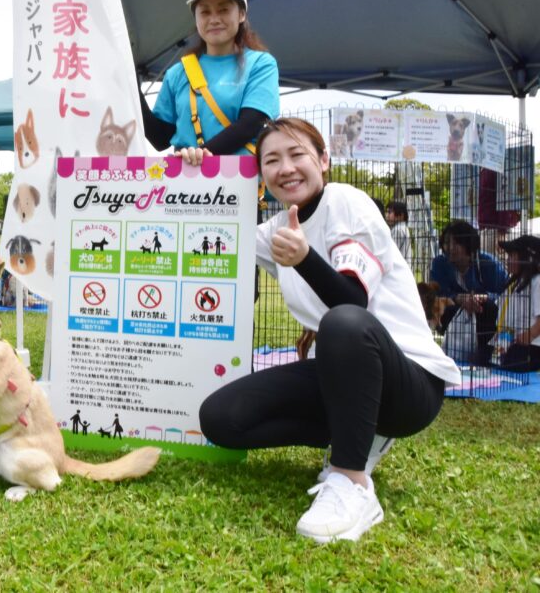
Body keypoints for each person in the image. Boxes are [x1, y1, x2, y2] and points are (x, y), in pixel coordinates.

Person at [199, 117, 460, 544]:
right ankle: (355, 433)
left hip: (408, 385)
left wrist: (304, 258)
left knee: (342, 323)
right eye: (271, 160)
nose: (285, 167)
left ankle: (351, 481)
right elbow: (207, 230)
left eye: (297, 154)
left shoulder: (347, 202)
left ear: (324, 161)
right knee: (221, 420)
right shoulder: (277, 230)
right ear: (261, 175)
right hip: (343, 379)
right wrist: (194, 167)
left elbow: (351, 302)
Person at [139, 0, 279, 166]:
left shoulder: (260, 64)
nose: (214, 19)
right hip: (186, 186)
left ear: (241, 15)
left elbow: (250, 124)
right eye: (205, 12)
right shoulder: (178, 72)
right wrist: (129, 85)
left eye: (223, 10)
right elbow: (160, 138)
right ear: (195, 19)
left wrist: (199, 155)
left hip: (241, 184)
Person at [429, 219, 508, 365]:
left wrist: (481, 298)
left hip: (484, 315)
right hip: (453, 313)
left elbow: (504, 294)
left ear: (468, 245)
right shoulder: (439, 263)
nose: (450, 248)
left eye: (456, 243)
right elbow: (436, 293)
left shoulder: (489, 263)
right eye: (447, 243)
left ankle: (483, 357)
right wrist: (459, 298)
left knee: (488, 308)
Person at [492, 235, 540, 372]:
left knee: (511, 364)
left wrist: (529, 335)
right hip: (510, 341)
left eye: (512, 256)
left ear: (528, 258)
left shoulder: (537, 281)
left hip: (532, 346)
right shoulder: (515, 282)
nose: (508, 260)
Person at [385, 201, 413, 266]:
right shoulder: (404, 228)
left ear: (401, 215)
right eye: (386, 212)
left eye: (389, 212)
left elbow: (391, 252)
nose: (387, 215)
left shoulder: (398, 229)